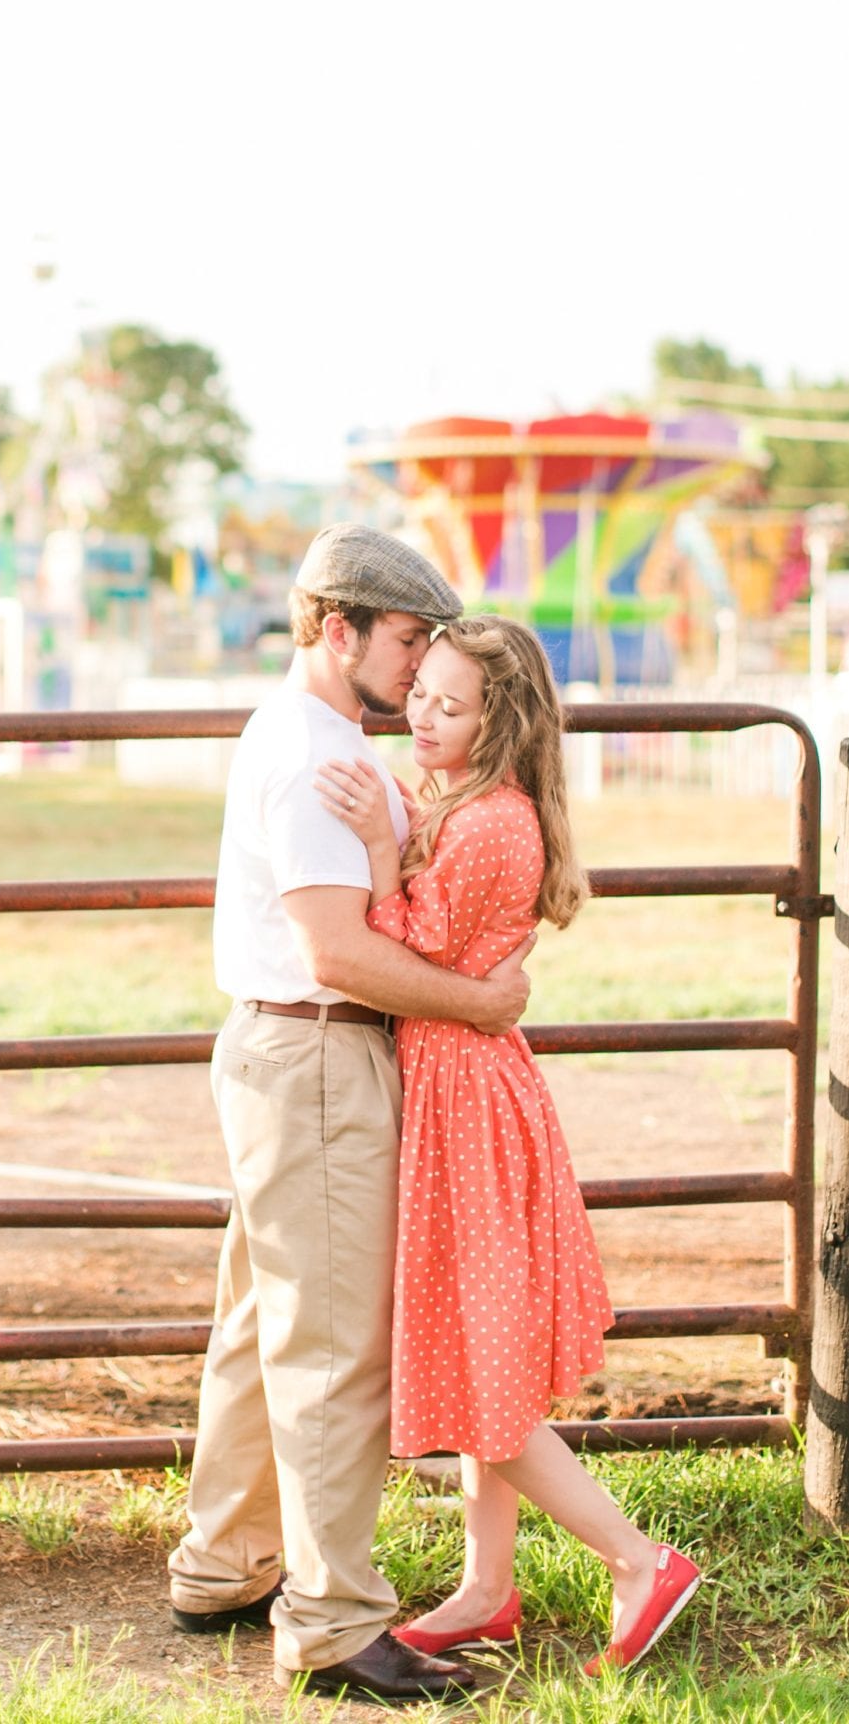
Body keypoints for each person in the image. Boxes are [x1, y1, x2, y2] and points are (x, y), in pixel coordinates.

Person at [167, 526, 536, 1706]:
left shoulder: (312, 741)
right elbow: (341, 951)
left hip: (284, 1053)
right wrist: (481, 1002)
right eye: (407, 639)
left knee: (258, 1321)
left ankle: (224, 1562)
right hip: (320, 1053)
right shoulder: (313, 758)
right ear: (339, 629)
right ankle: (332, 1625)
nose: (421, 665)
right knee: (330, 1350)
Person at [315, 613, 702, 1677]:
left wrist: (381, 847)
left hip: (466, 1105)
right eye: (420, 694)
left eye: (451, 705)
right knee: (486, 1360)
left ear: (501, 722)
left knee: (483, 1374)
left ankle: (636, 1561)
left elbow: (399, 946)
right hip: (461, 1087)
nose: (421, 717)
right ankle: (487, 1589)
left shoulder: (490, 822)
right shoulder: (465, 804)